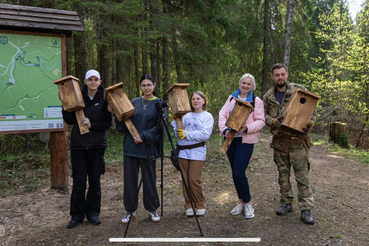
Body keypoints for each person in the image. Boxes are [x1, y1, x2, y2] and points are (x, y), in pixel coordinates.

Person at [263, 63, 317, 225]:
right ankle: (286, 202)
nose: (280, 77)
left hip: (298, 141)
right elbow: (263, 116)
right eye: (276, 75)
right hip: (280, 142)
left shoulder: (298, 90)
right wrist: (273, 121)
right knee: (283, 174)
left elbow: (312, 110)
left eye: (282, 74)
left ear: (286, 74)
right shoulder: (268, 96)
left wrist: (311, 123)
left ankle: (306, 209)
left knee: (302, 176)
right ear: (272, 77)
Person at [62, 69, 112, 229]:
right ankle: (76, 216)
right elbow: (69, 120)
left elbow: (107, 123)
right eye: (89, 79)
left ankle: (92, 214)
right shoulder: (77, 95)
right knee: (79, 182)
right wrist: (64, 104)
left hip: (97, 146)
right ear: (84, 81)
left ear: (100, 82)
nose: (92, 82)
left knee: (95, 182)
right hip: (79, 146)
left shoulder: (105, 98)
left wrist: (91, 124)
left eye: (95, 79)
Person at [109, 74, 161, 224]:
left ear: (154, 85)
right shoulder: (133, 102)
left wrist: (143, 136)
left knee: (149, 180)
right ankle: (130, 211)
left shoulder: (159, 103)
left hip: (147, 148)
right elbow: (123, 125)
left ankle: (152, 210)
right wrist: (114, 113)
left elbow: (159, 128)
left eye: (149, 85)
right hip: (131, 148)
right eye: (144, 85)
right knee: (130, 181)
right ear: (140, 87)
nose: (146, 88)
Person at [218, 73, 265, 219]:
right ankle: (241, 201)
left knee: (239, 172)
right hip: (231, 139)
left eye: (248, 84)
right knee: (234, 173)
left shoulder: (256, 101)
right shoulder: (232, 97)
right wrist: (225, 129)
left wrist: (247, 128)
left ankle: (247, 202)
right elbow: (222, 114)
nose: (245, 86)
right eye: (243, 83)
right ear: (240, 83)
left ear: (252, 86)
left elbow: (261, 120)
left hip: (246, 140)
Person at [171, 91, 214, 217]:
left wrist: (188, 134)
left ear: (204, 101)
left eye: (198, 99)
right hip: (183, 152)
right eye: (193, 99)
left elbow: (204, 134)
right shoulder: (186, 116)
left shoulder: (207, 116)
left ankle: (200, 204)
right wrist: (176, 122)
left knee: (194, 179)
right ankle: (189, 204)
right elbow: (178, 133)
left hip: (197, 152)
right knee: (185, 180)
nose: (195, 101)